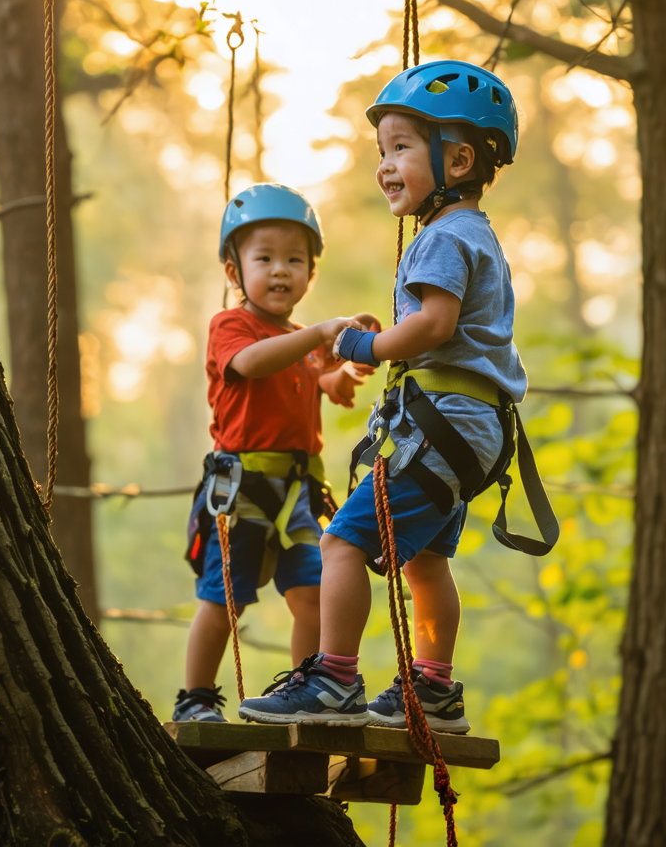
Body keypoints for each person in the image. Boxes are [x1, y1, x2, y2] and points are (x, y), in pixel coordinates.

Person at [238, 61, 537, 732]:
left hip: (447, 424)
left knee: (342, 544)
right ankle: (433, 691)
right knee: (426, 561)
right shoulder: (471, 235)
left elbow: (433, 325)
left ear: (457, 158)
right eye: (382, 152)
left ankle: (334, 680)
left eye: (400, 147)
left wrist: (363, 348)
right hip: (471, 431)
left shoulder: (444, 236)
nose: (386, 165)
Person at [173, 183, 378, 723]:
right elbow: (250, 365)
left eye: (295, 259)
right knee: (224, 599)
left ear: (311, 271)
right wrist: (317, 337)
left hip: (299, 494)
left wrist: (337, 376)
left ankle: (306, 691)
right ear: (232, 270)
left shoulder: (296, 340)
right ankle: (195, 697)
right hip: (242, 489)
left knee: (312, 593)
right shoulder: (232, 327)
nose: (281, 270)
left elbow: (306, 377)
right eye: (264, 258)